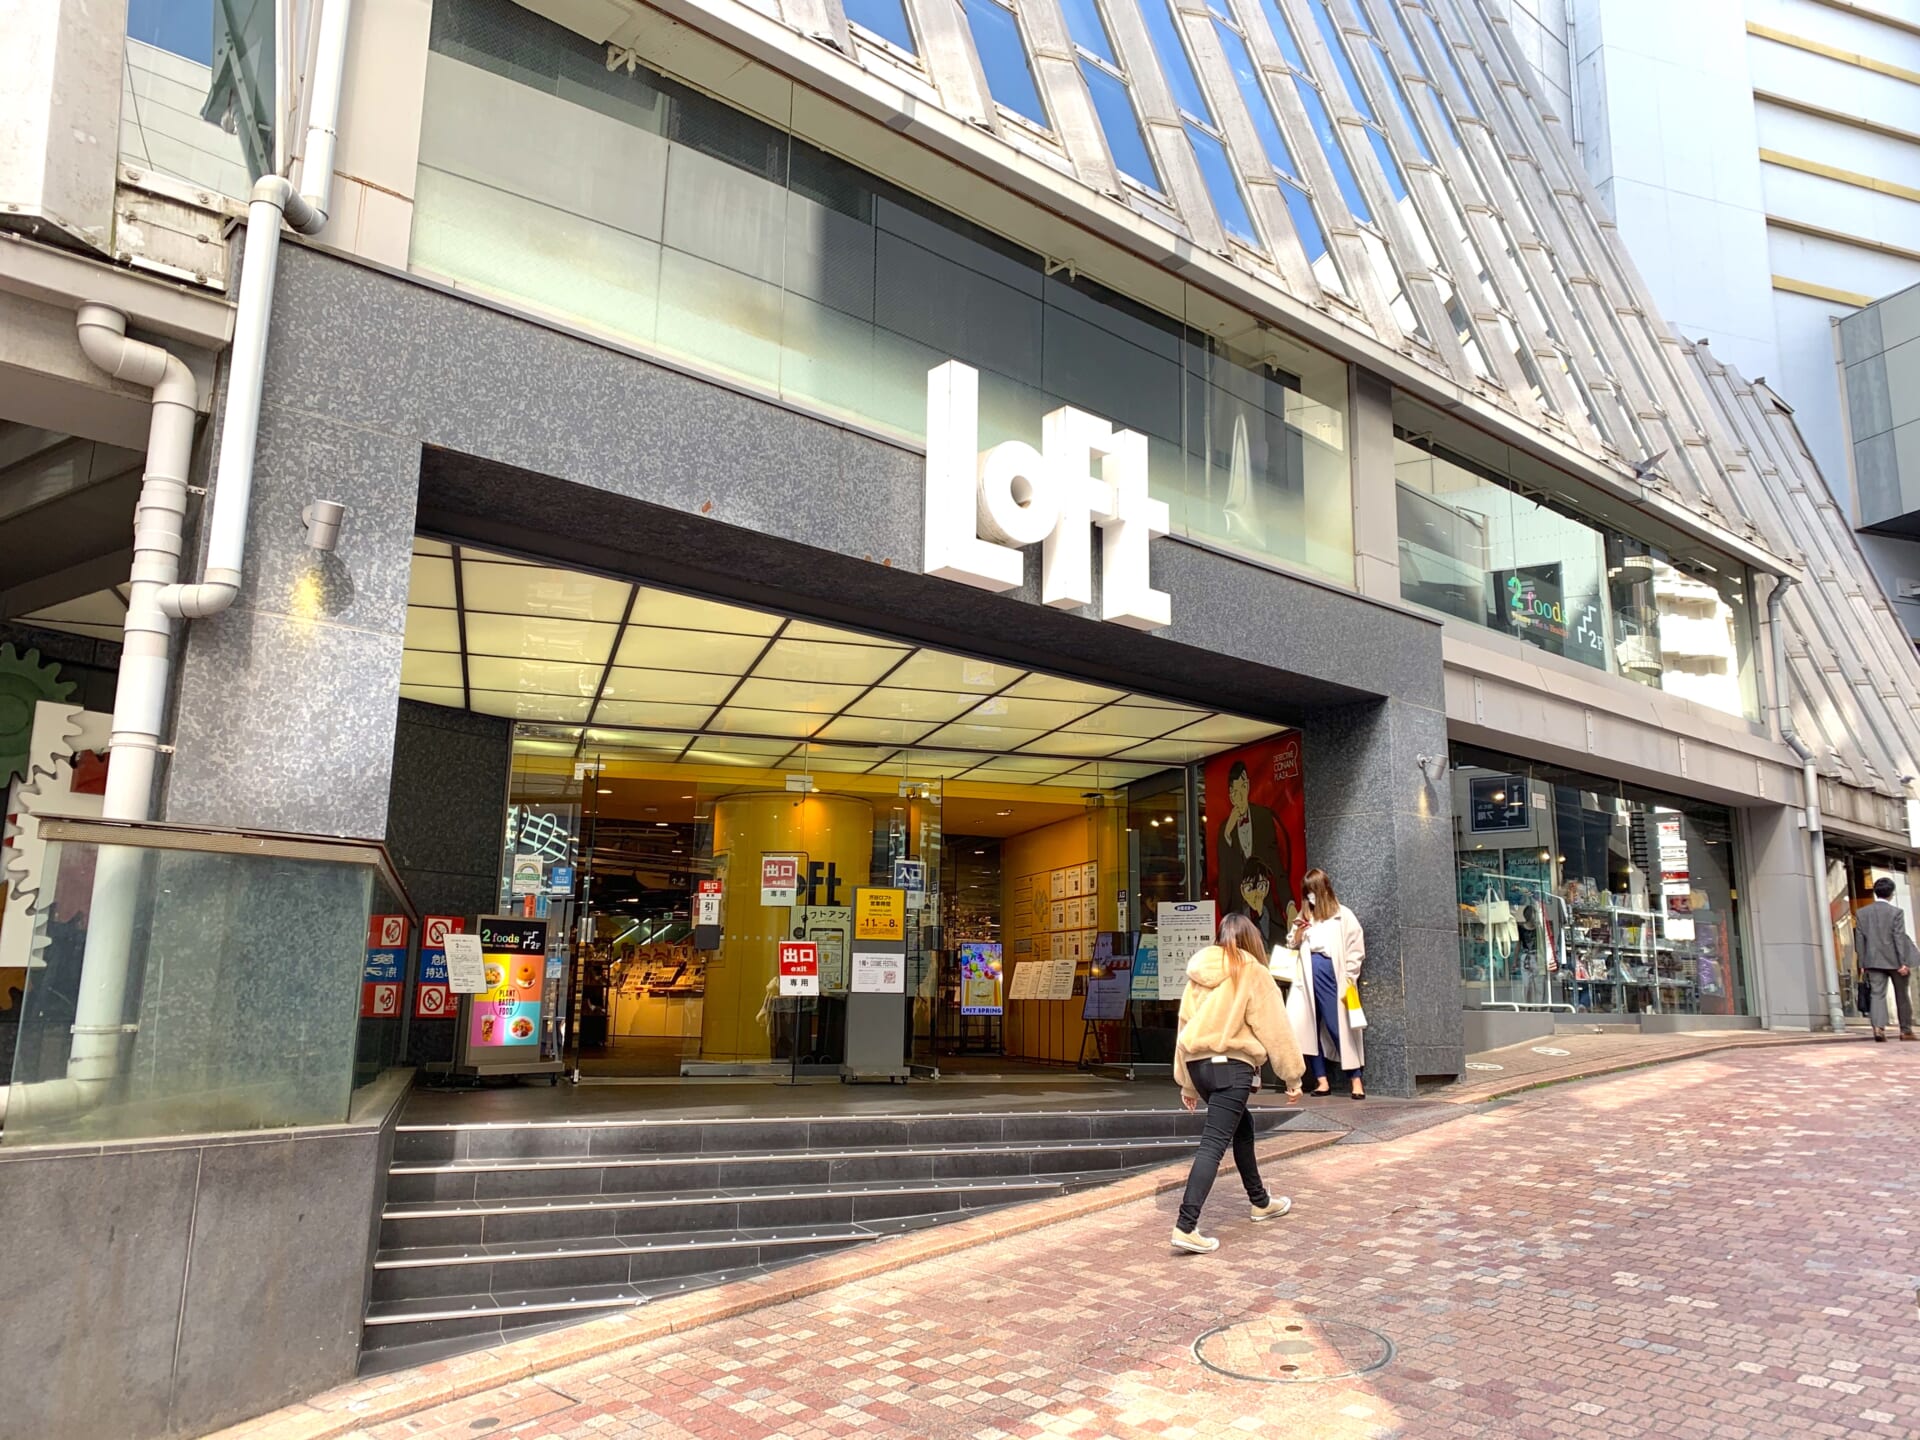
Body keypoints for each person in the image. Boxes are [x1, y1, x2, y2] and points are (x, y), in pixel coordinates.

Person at [1170, 913, 1305, 1255]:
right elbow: (1275, 1026)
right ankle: (1186, 1225)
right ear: (1251, 939)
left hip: (1199, 1068)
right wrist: (1292, 1076)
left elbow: (1184, 1026)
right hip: (1231, 1067)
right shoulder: (1251, 970)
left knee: (1242, 1127)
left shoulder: (1198, 973)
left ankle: (1261, 1202)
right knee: (1213, 1144)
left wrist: (1187, 1084)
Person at [1285, 867, 1367, 1099]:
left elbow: (1356, 948)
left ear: (1323, 890)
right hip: (1305, 976)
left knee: (1337, 1026)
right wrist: (1299, 932)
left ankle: (1356, 1079)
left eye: (1312, 891)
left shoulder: (1342, 915)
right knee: (1307, 1029)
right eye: (1306, 892)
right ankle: (1321, 1080)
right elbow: (1291, 943)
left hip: (1332, 974)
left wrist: (1349, 975)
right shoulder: (1304, 915)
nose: (1309, 896)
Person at [1218, 760, 1288, 914]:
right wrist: (1227, 835)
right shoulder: (1225, 829)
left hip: (1266, 907)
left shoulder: (1263, 817)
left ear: (1248, 786)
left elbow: (1276, 866)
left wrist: (1289, 905)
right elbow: (1224, 876)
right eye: (1236, 791)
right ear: (1231, 796)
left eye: (1244, 787)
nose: (1241, 795)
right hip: (1239, 912)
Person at [1854, 877, 1918, 1042]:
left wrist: (1862, 963)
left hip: (1873, 960)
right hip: (1896, 961)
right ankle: (1905, 1031)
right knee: (1902, 995)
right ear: (1891, 893)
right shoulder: (1896, 912)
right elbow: (1898, 937)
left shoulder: (1862, 913)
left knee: (1877, 994)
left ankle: (1878, 1028)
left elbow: (1859, 940)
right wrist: (1903, 962)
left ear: (1875, 892)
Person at [1231, 856, 1281, 949]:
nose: (1255, 893)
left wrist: (1260, 916)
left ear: (1267, 888)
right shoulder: (1235, 922)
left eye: (1260, 886)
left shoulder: (1275, 924)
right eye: (1249, 888)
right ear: (1242, 891)